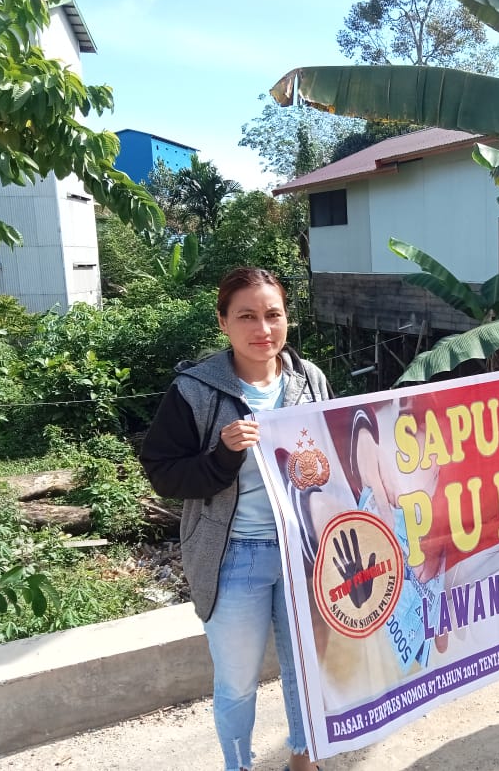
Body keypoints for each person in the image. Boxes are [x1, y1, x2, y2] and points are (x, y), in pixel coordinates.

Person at [139, 267, 332, 771]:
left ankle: (304, 759)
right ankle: (239, 765)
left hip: (304, 554)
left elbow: (332, 458)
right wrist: (221, 457)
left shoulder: (309, 380)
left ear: (287, 319)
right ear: (223, 322)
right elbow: (163, 473)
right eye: (246, 316)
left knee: (307, 669)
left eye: (273, 315)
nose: (262, 329)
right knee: (238, 681)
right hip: (234, 558)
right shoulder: (195, 391)